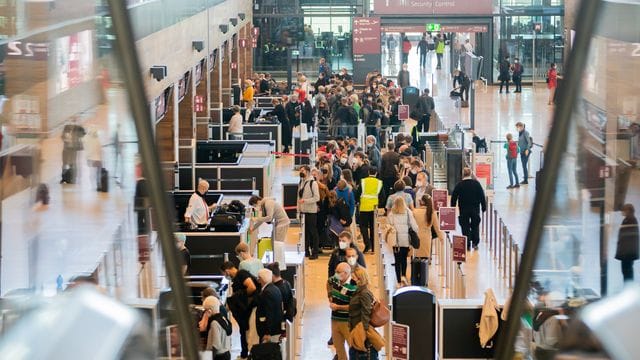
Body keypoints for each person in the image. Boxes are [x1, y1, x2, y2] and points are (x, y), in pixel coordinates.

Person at [220, 261, 259, 360]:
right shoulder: (238, 277)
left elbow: (252, 287)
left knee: (247, 331)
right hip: (245, 309)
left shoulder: (241, 274)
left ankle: (246, 354)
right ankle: (244, 354)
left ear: (227, 271)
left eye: (224, 274)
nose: (225, 276)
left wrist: (238, 297)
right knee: (243, 330)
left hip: (250, 307)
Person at [328, 262, 358, 360]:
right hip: (334, 320)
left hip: (347, 322)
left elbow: (353, 307)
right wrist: (329, 296)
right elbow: (328, 282)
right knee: (338, 347)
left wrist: (338, 307)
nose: (335, 274)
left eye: (338, 272)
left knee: (352, 346)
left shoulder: (354, 287)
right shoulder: (335, 279)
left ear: (345, 273)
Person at [451, 167, 487, 250]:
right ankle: (475, 243)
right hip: (475, 209)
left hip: (463, 209)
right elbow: (482, 195)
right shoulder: (476, 184)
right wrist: (483, 207)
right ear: (470, 174)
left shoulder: (459, 185)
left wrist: (452, 207)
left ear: (463, 174)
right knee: (475, 225)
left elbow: (454, 197)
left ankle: (467, 244)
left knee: (465, 226)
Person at [348, 267, 380, 359]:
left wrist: (363, 334)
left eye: (354, 277)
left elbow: (366, 313)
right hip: (356, 328)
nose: (352, 280)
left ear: (360, 279)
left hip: (361, 331)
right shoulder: (358, 291)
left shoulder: (364, 293)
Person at [387, 196, 419, 287]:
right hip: (405, 241)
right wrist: (416, 231)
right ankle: (404, 276)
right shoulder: (408, 212)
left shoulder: (392, 213)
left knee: (397, 261)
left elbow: (388, 225)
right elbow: (414, 225)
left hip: (395, 241)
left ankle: (398, 281)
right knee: (404, 259)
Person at [255, 269, 284, 344]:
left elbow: (269, 313)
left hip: (269, 331)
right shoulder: (275, 289)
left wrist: (267, 333)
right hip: (275, 328)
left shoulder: (267, 292)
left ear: (261, 279)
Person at [358, 167, 383, 253]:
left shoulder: (363, 181)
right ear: (376, 173)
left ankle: (367, 243)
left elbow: (358, 193)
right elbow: (382, 196)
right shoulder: (379, 183)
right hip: (374, 208)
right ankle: (373, 247)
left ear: (368, 172)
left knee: (363, 227)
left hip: (364, 207)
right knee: (373, 228)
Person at [199, 296, 232, 360]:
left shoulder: (214, 323)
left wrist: (208, 358)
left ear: (209, 311)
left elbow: (216, 345)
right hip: (226, 353)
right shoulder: (223, 318)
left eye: (205, 311)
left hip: (218, 356)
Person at [298, 165, 321, 259]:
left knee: (313, 232)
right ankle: (306, 251)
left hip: (311, 211)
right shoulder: (301, 182)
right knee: (305, 232)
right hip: (303, 211)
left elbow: (317, 197)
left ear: (307, 171)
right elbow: (298, 197)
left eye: (302, 170)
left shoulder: (313, 183)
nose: (301, 172)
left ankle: (315, 252)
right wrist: (298, 209)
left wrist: (305, 201)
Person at [413, 194, 443, 259]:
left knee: (416, 261)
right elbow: (437, 228)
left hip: (416, 238)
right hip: (427, 238)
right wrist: (441, 239)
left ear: (422, 202)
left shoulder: (415, 212)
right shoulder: (432, 213)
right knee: (425, 261)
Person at [616, 204, 639, 282]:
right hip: (626, 252)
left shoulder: (630, 220)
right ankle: (628, 288)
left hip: (627, 252)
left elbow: (628, 238)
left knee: (627, 271)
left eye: (624, 210)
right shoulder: (628, 220)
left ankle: (628, 288)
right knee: (626, 271)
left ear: (628, 210)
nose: (622, 212)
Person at [60, 118, 86, 184]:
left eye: (74, 121)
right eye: (71, 121)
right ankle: (63, 178)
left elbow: (83, 133)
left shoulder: (77, 127)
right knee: (64, 163)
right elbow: (62, 136)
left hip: (73, 149)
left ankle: (73, 177)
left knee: (73, 163)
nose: (72, 123)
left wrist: (80, 125)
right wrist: (65, 139)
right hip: (66, 148)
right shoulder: (66, 127)